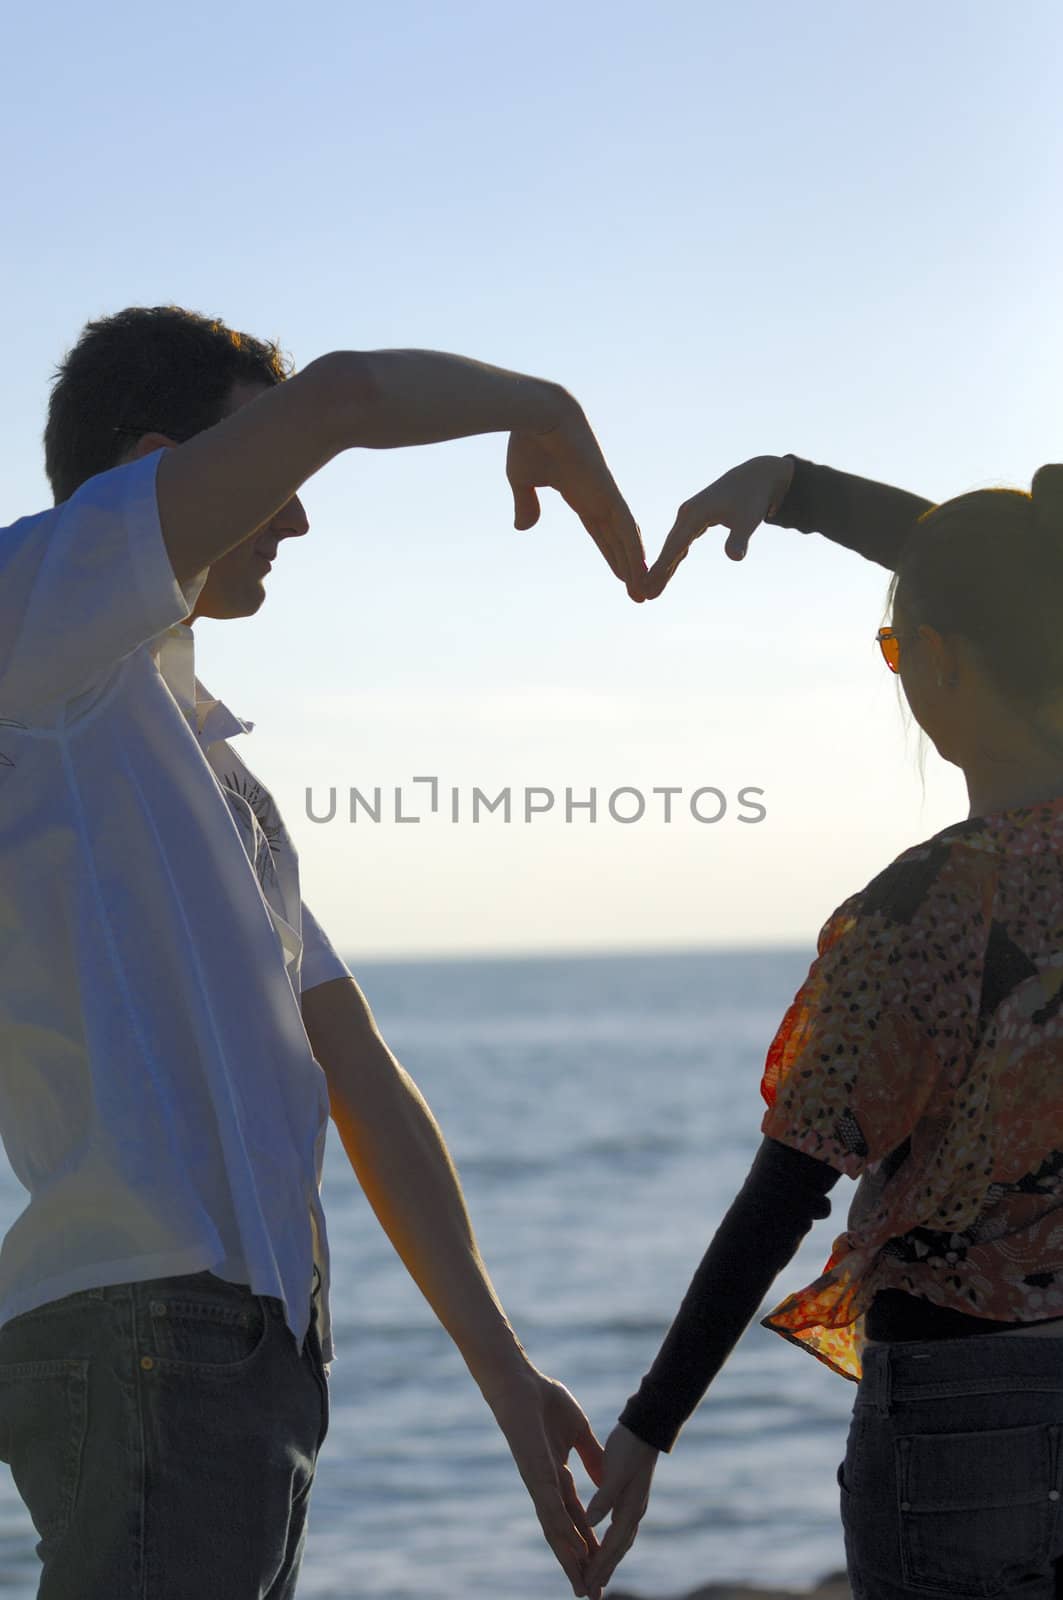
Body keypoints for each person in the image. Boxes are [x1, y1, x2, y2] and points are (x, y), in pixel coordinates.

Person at [0, 305, 647, 1600]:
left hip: (251, 1356)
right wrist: (546, 406)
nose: (296, 518)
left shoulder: (211, 773)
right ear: (150, 466)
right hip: (146, 1330)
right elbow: (346, 394)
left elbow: (357, 1076)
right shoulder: (33, 615)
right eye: (273, 474)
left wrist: (504, 1376)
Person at [585, 455, 1063, 1598]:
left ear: (936, 662)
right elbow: (1002, 581)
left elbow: (786, 1189)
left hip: (964, 1419)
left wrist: (648, 1427)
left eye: (899, 652)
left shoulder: (929, 907)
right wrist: (801, 495)